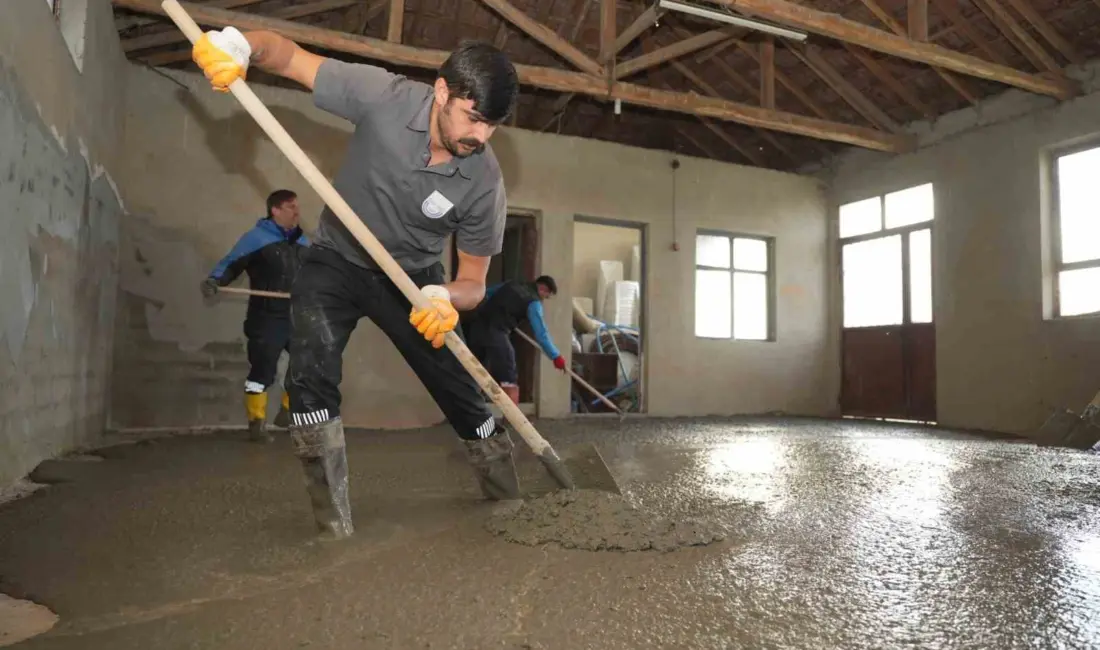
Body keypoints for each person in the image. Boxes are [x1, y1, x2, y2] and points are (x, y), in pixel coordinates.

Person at [191, 26, 521, 540]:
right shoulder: (383, 97)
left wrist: (444, 297)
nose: (480, 136)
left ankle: (507, 493)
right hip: (336, 259)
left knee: (461, 389)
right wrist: (240, 47)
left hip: (414, 282)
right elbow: (288, 57)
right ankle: (332, 526)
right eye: (473, 117)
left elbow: (474, 281)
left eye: (493, 126)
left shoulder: (484, 182)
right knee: (309, 371)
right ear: (441, 91)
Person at [201, 189, 308, 443]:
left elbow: (317, 273)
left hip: (298, 314)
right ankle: (256, 423)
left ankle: (288, 412)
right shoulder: (257, 239)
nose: (297, 212)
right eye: (291, 207)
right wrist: (215, 279)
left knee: (307, 365)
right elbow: (232, 263)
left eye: (297, 206)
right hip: (266, 316)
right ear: (275, 210)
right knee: (262, 371)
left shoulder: (304, 242)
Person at [464, 275, 566, 405]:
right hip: (497, 332)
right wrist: (556, 356)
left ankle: (470, 407)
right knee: (508, 373)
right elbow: (541, 334)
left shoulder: (512, 284)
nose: (544, 299)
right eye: (546, 296)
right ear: (543, 289)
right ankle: (511, 414)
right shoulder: (533, 303)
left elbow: (485, 293)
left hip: (476, 327)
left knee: (475, 368)